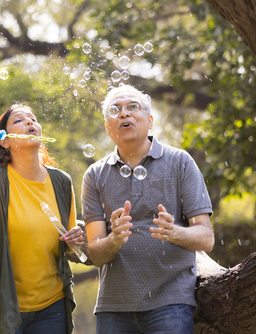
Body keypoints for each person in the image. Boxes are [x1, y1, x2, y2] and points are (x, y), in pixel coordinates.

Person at [81, 85, 215, 334]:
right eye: (115, 110)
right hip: (113, 307)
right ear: (108, 127)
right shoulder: (94, 175)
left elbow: (206, 238)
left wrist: (174, 232)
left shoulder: (180, 163)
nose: (124, 114)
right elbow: (96, 253)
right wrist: (114, 239)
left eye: (133, 107)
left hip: (170, 303)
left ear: (150, 120)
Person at [0, 104, 85, 334]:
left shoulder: (61, 182)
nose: (29, 123)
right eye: (19, 120)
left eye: (33, 119)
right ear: (5, 141)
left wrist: (75, 239)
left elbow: (70, 245)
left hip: (52, 307)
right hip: (2, 306)